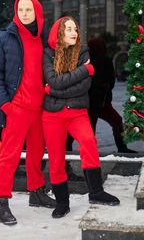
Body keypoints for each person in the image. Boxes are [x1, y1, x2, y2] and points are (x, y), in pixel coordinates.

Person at [0, 0, 55, 226]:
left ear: (37, 12)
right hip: (16, 108)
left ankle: (36, 192)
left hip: (39, 108)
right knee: (9, 156)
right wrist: (6, 105)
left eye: (29, 10)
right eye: (21, 10)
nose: (24, 14)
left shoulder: (44, 39)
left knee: (36, 154)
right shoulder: (5, 37)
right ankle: (2, 202)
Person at [42, 16, 120, 219]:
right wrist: (84, 70)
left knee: (88, 141)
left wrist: (54, 89)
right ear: (59, 33)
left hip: (77, 112)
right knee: (57, 158)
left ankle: (96, 192)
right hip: (52, 115)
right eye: (68, 29)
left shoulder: (83, 51)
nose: (73, 32)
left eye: (74, 28)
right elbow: (54, 80)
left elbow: (83, 85)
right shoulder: (48, 53)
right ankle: (62, 202)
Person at [87, 37, 135, 153]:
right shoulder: (104, 61)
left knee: (89, 130)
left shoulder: (87, 61)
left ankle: (89, 153)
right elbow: (111, 82)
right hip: (100, 102)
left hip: (92, 103)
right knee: (116, 122)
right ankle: (121, 148)